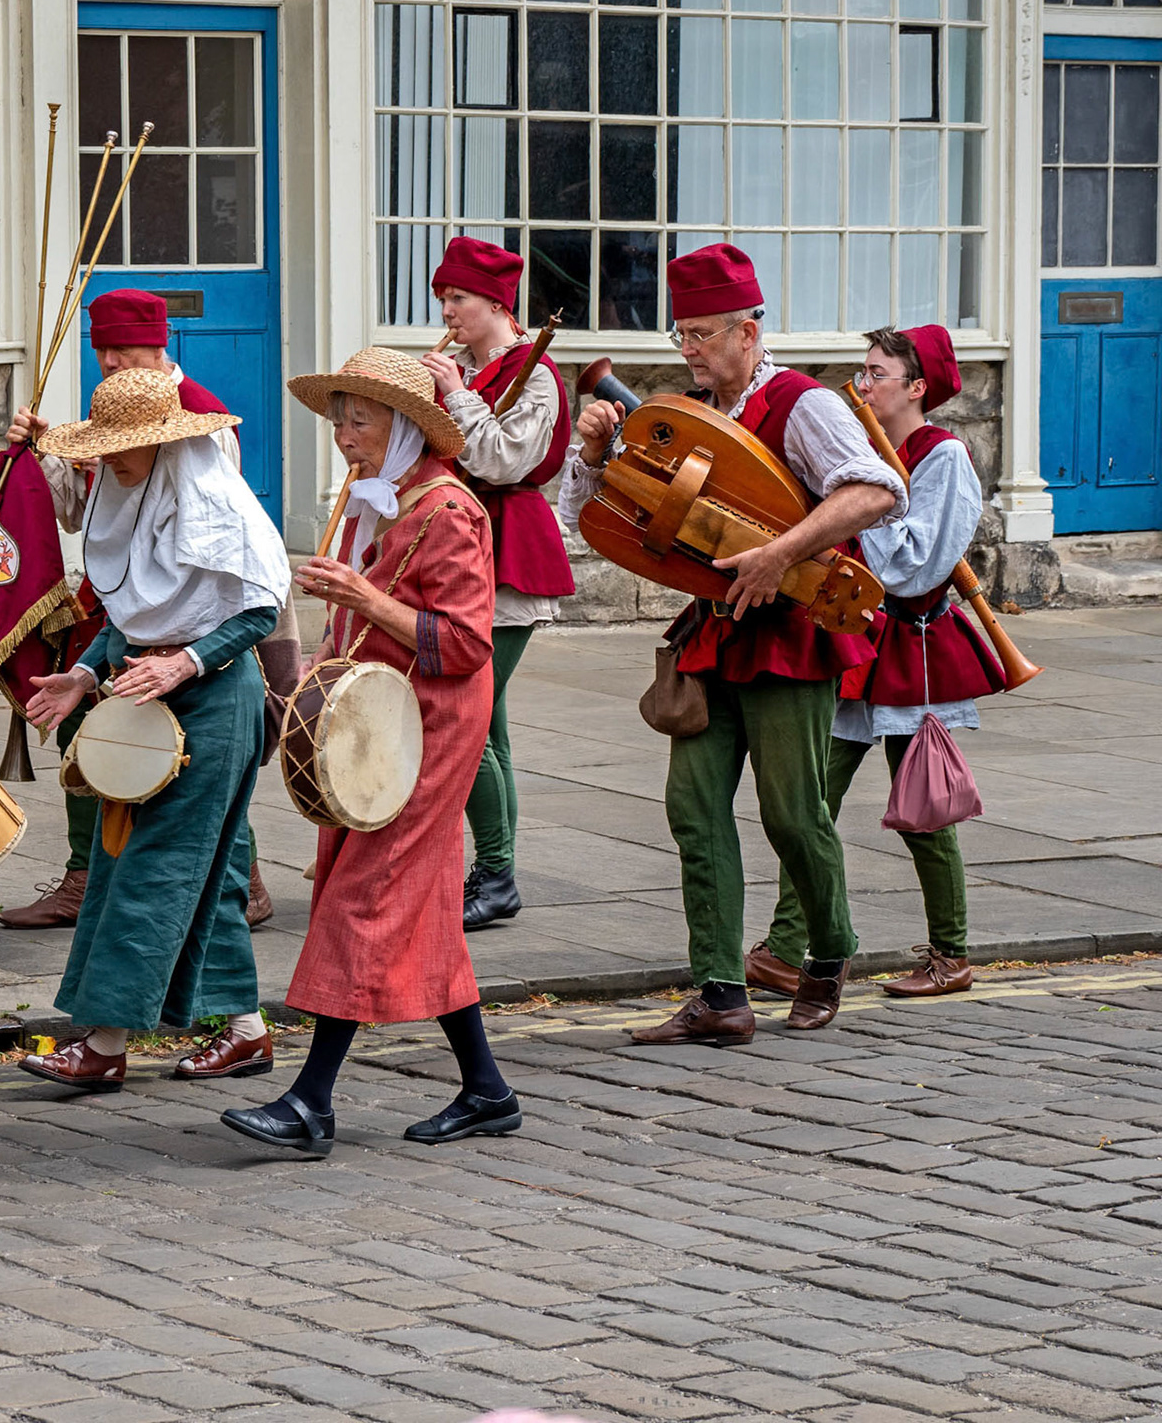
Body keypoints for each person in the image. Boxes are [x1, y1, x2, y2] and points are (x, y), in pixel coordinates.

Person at [557, 244, 907, 1046]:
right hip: (715, 634)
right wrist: (590, 452)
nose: (690, 351)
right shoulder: (687, 411)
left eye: (705, 334)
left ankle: (827, 954)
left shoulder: (803, 404)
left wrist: (783, 552)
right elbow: (598, 514)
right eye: (681, 335)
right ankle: (720, 994)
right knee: (693, 807)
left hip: (793, 631)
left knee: (792, 815)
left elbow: (880, 491)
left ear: (750, 332)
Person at [222, 348, 518, 1156]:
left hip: (431, 721)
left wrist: (362, 596)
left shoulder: (448, 509)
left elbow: (463, 643)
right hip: (379, 717)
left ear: (403, 428)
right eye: (340, 419)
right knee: (407, 897)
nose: (345, 436)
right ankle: (487, 1089)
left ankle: (311, 1100)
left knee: (367, 888)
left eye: (360, 420)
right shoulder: (375, 498)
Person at [15, 368, 292, 1091]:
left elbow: (261, 607)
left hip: (213, 700)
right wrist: (83, 675)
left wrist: (187, 663)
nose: (109, 463)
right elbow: (130, 610)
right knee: (203, 870)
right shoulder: (121, 488)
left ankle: (104, 1041)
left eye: (123, 450)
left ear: (164, 443)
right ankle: (246, 1032)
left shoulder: (212, 498)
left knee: (152, 866)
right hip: (144, 692)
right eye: (103, 450)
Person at [0, 289, 297, 930]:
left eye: (123, 350)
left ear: (159, 347)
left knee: (203, 761)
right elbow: (92, 513)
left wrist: (183, 655)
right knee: (110, 742)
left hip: (210, 608)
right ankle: (102, 879)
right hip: (135, 605)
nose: (108, 361)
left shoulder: (197, 423)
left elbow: (215, 560)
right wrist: (48, 454)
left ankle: (236, 885)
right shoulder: (115, 416)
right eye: (100, 350)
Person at [749, 326, 1003, 1001]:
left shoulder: (942, 456)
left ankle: (951, 954)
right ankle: (782, 948)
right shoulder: (860, 448)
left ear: (917, 388)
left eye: (877, 374)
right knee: (807, 802)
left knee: (923, 810)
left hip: (913, 646)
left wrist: (863, 508)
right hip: (852, 635)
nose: (862, 386)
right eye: (862, 372)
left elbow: (919, 558)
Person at [418, 238, 575, 931]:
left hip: (507, 552)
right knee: (492, 728)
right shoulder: (468, 368)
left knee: (467, 719)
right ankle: (492, 867)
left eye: (459, 299)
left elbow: (504, 461)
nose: (447, 311)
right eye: (444, 298)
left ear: (497, 303)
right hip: (459, 548)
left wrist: (453, 395)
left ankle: (498, 874)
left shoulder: (535, 373)